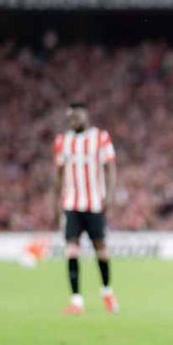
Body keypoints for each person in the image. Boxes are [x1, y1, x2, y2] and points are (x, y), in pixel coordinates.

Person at [54, 103, 118, 315]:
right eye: (70, 115)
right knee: (71, 248)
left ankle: (107, 292)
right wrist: (56, 203)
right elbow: (59, 174)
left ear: (86, 115)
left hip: (94, 203)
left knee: (100, 247)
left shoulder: (100, 137)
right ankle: (76, 300)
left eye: (77, 114)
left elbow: (110, 167)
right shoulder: (63, 141)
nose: (74, 119)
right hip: (71, 203)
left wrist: (109, 196)